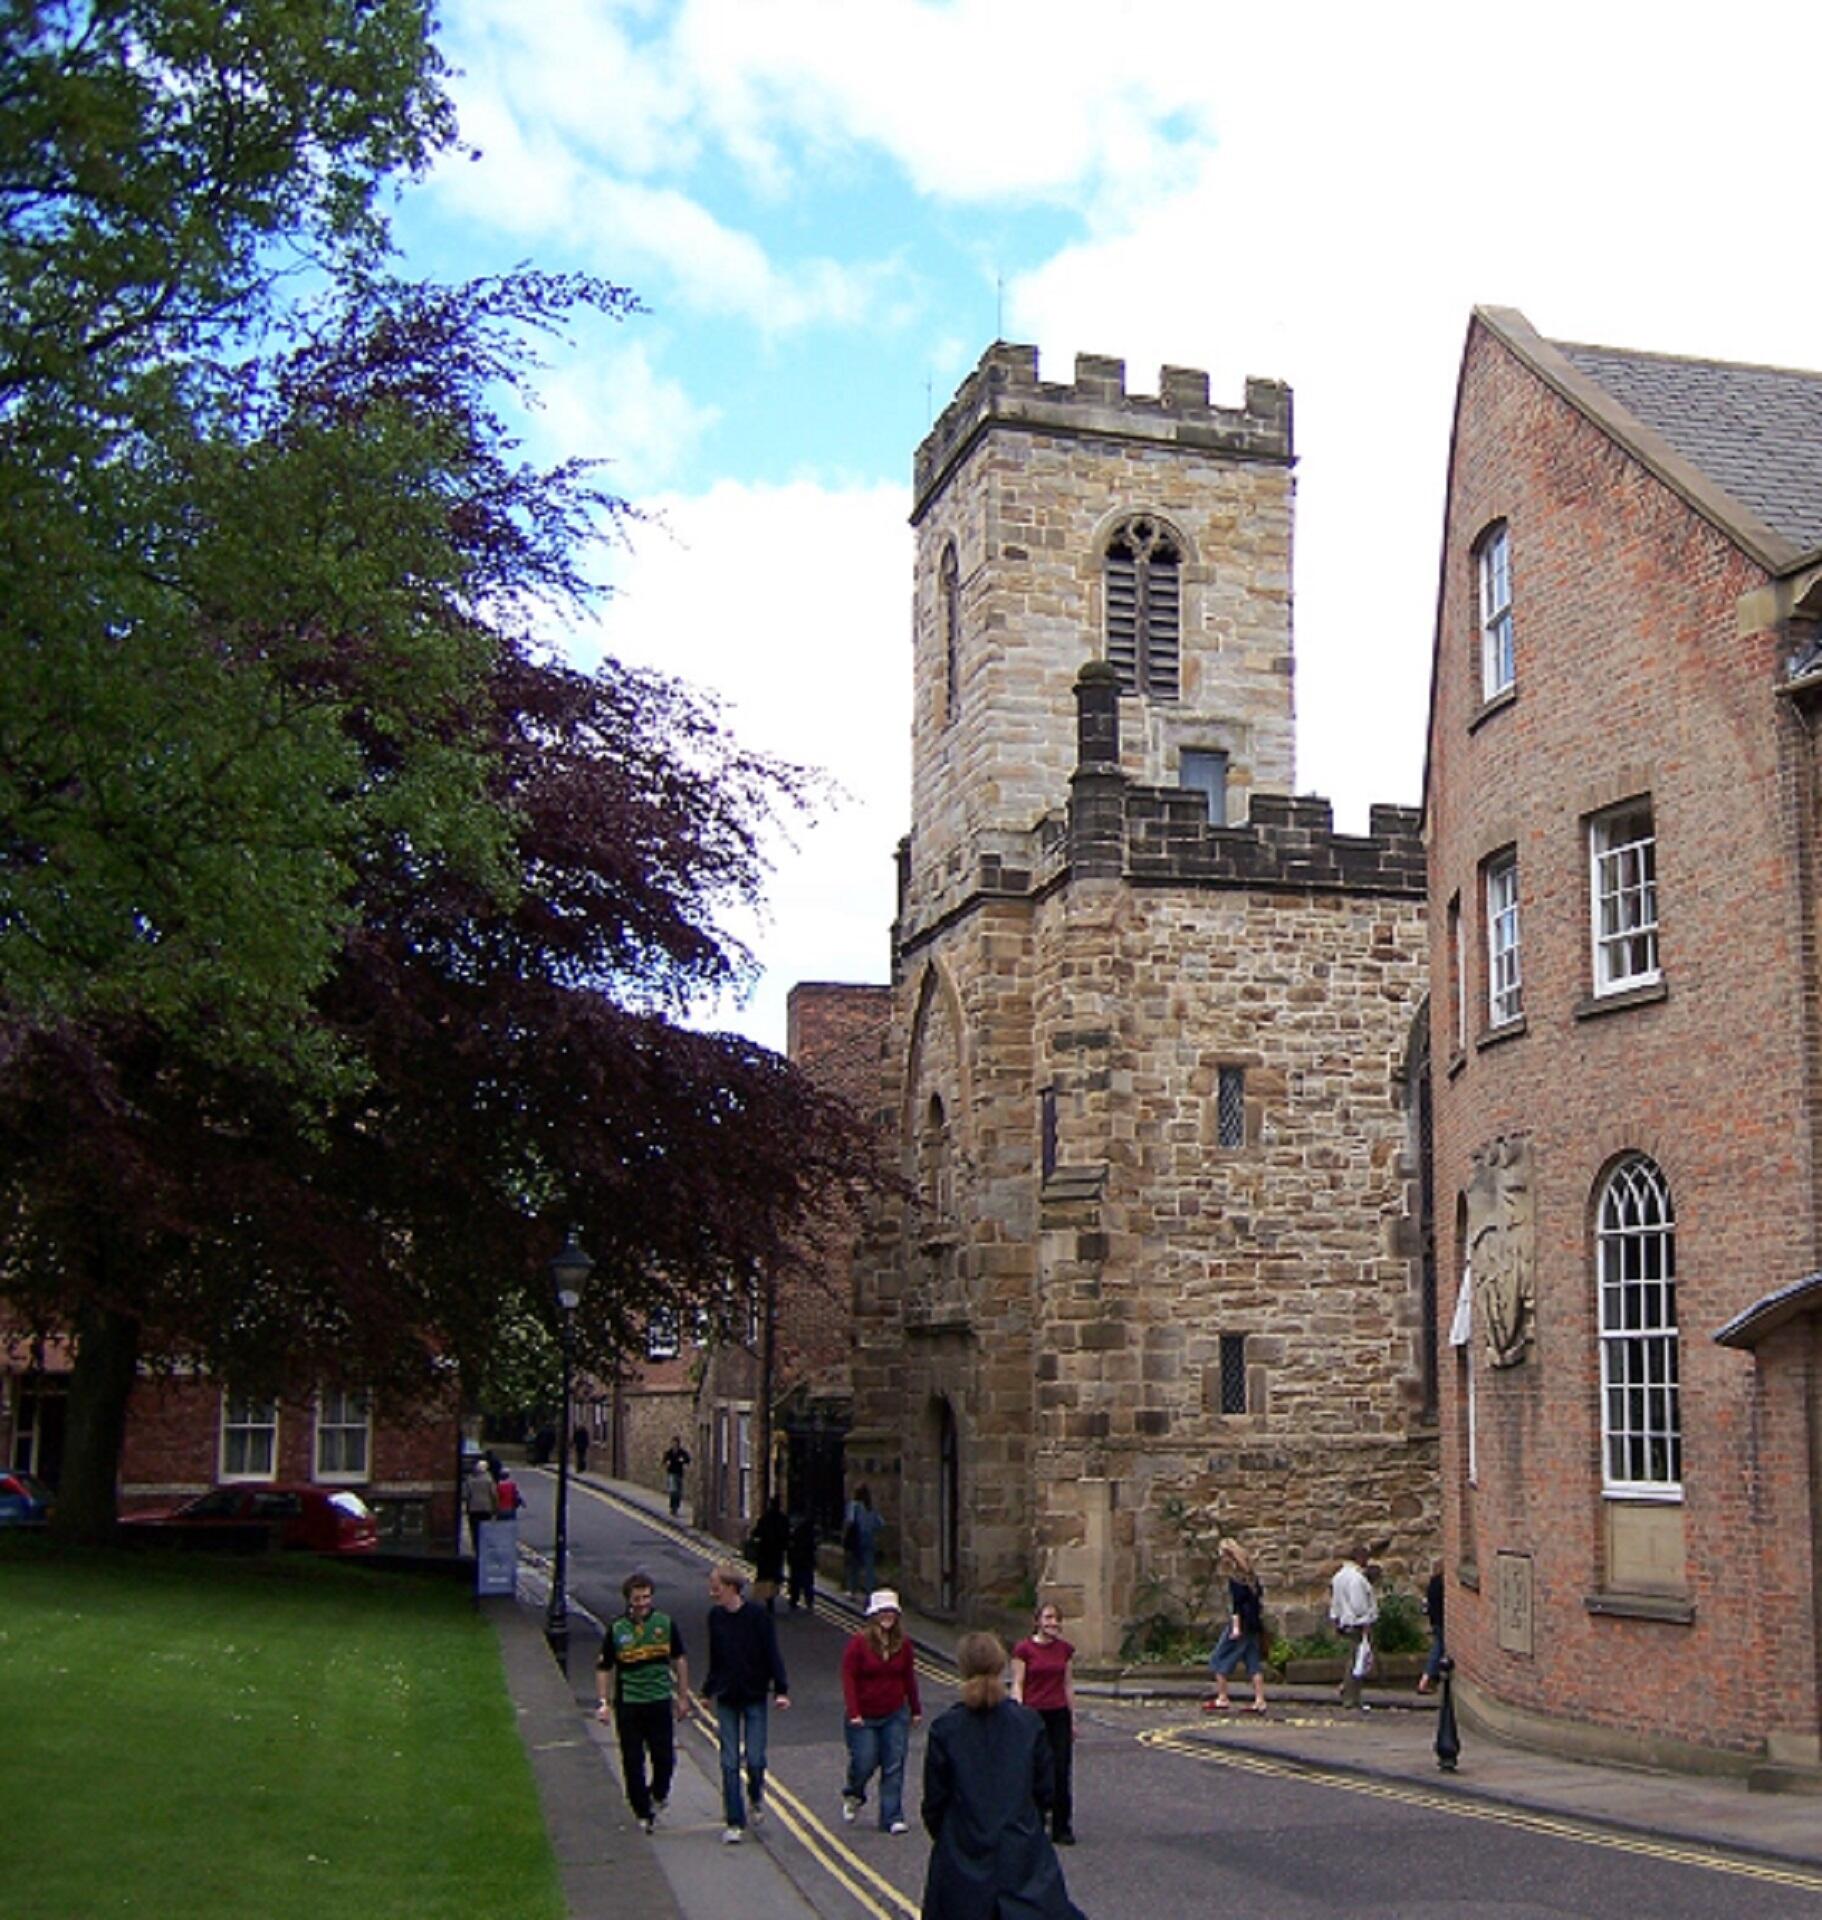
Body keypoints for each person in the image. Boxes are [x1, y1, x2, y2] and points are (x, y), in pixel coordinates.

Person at [920, 1631, 1084, 1920]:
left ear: (963, 1667)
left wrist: (950, 1838)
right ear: (1001, 1665)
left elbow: (935, 1801)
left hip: (963, 1852)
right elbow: (1045, 1790)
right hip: (1020, 1851)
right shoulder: (1028, 1723)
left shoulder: (946, 1728)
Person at [702, 1562, 791, 1844]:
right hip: (727, 1695)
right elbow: (715, 1658)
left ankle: (755, 1796)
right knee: (728, 1763)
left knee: (755, 1759)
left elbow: (771, 1652)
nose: (712, 1592)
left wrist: (781, 1689)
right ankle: (735, 1821)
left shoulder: (758, 1616)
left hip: (753, 1695)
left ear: (731, 1588)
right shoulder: (715, 1617)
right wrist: (706, 1691)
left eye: (716, 1587)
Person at [596, 1570, 690, 1833]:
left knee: (665, 1758)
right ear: (628, 1600)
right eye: (637, 1599)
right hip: (629, 1703)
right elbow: (604, 1667)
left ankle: (657, 1795)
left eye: (646, 1597)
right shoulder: (617, 1629)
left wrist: (682, 1697)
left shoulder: (665, 1624)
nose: (642, 1603)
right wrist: (603, 1702)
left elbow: (679, 1659)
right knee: (632, 1759)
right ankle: (641, 1812)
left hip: (659, 1700)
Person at [841, 1588, 923, 1833]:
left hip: (895, 1713)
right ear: (874, 1614)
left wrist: (915, 1709)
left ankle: (891, 1816)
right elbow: (848, 1677)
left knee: (893, 1764)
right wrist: (854, 1711)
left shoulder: (904, 1644)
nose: (888, 1616)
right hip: (864, 1715)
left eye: (892, 1611)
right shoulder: (859, 1643)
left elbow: (908, 1677)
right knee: (864, 1761)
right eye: (883, 1611)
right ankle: (854, 1793)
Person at [1011, 1601, 1077, 1843]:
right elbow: (1018, 1683)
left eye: (1057, 1619)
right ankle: (1035, 1821)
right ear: (1037, 1621)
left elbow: (1068, 1685)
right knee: (1034, 1769)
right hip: (1032, 1715)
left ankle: (1062, 1827)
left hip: (1058, 1713)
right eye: (1048, 1618)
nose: (1053, 1623)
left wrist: (1072, 1719)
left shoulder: (1065, 1650)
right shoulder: (1024, 1650)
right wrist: (1017, 1714)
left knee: (1061, 1771)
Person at [1204, 1537, 1268, 1715]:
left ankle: (1222, 1697)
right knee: (1252, 1661)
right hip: (1254, 1624)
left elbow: (1237, 1606)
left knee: (1219, 1658)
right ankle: (1259, 1700)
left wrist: (1235, 1627)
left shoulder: (1236, 1580)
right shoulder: (1252, 1577)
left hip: (1241, 1625)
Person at [1331, 1544, 1378, 1710]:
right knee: (1357, 1662)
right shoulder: (1357, 1579)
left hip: (1344, 1622)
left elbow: (1335, 1603)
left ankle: (1348, 1692)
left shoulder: (1339, 1576)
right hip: (1356, 1624)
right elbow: (1359, 1606)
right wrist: (1368, 1621)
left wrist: (1335, 1619)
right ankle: (1351, 1698)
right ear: (1359, 1558)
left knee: (1353, 1659)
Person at [750, 1494, 790, 1614]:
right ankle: (771, 1598)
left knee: (766, 1576)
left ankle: (769, 1600)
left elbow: (756, 1533)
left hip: (765, 1552)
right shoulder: (783, 1519)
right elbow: (786, 1535)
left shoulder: (765, 1518)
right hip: (777, 1552)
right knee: (774, 1576)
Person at [843, 1485, 882, 1596]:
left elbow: (850, 1521)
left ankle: (852, 1590)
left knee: (853, 1566)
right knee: (869, 1567)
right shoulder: (871, 1508)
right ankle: (869, 1592)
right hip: (869, 1539)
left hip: (856, 1539)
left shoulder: (853, 1506)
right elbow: (880, 1524)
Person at [1417, 1560, 1446, 1694]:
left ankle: (1432, 1679)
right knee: (1438, 1649)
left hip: (1434, 1621)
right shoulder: (1441, 1584)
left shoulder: (1432, 1583)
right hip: (1441, 1622)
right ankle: (1425, 1680)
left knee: (1439, 1648)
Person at [463, 1453, 497, 1554]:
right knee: (485, 1529)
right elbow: (494, 1494)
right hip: (486, 1508)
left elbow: (466, 1494)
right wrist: (495, 1507)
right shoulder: (489, 1479)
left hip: (473, 1508)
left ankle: (476, 1548)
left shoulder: (470, 1479)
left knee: (474, 1530)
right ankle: (483, 1547)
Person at [786, 1510, 818, 1613]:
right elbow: (813, 1548)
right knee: (808, 1583)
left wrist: (790, 1558)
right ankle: (809, 1603)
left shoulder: (797, 1532)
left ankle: (794, 1601)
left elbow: (791, 1545)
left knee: (796, 1581)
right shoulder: (810, 1534)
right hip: (806, 1562)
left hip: (797, 1561)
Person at [662, 1436, 691, 1517]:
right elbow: (664, 1460)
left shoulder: (682, 1453)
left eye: (676, 1443)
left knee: (678, 1492)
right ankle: (672, 1507)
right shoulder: (669, 1453)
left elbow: (688, 1459)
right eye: (673, 1443)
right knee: (673, 1490)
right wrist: (666, 1463)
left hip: (679, 1474)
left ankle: (676, 1507)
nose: (674, 1445)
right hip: (671, 1473)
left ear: (678, 1444)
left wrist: (684, 1461)